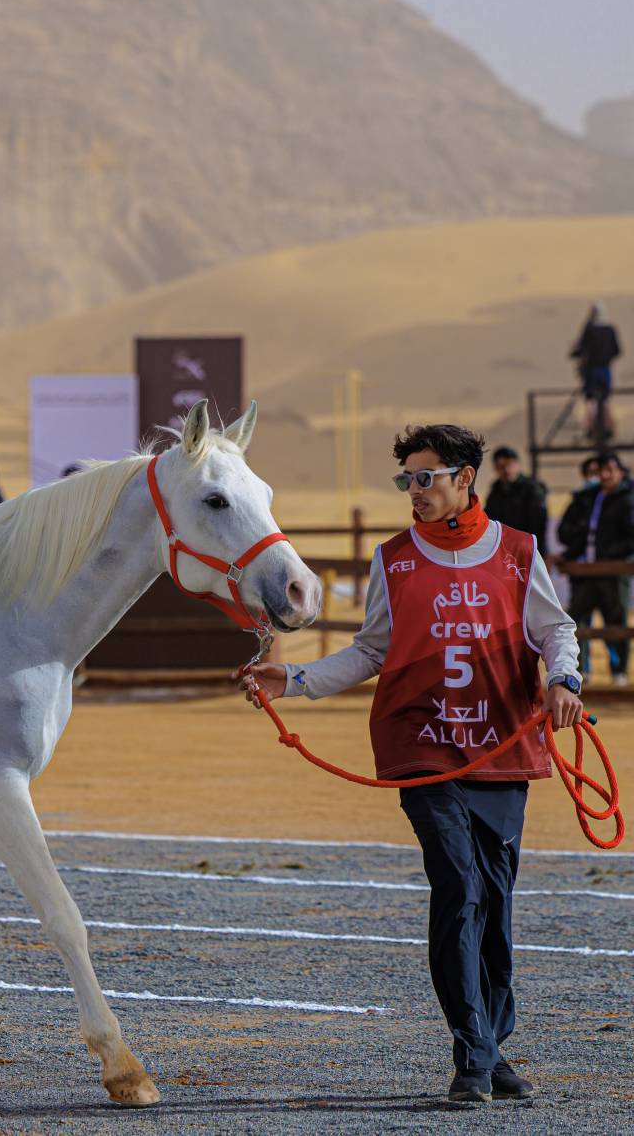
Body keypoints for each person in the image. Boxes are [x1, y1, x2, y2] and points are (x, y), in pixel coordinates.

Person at [242, 423, 581, 1104]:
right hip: (420, 746)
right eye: (406, 480)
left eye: (424, 478)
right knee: (457, 886)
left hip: (501, 746)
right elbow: (370, 651)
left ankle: (488, 1044)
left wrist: (563, 679)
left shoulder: (516, 553)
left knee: (494, 900)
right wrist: (296, 681)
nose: (412, 492)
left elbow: (555, 630)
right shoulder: (392, 559)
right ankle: (472, 1057)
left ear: (464, 478)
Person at [556, 452, 634, 685]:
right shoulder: (588, 498)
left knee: (616, 621)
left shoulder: (628, 499)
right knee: (575, 621)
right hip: (586, 572)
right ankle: (580, 670)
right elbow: (571, 531)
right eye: (601, 470)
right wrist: (571, 554)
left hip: (613, 572)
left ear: (620, 471)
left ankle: (618, 671)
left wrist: (610, 556)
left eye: (610, 469)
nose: (605, 475)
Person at [570, 302, 622, 441]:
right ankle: (608, 427)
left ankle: (590, 427)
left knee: (590, 400)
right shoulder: (610, 329)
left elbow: (580, 349)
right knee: (605, 399)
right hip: (605, 370)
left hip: (591, 371)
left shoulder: (590, 329)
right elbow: (617, 350)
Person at [483, 447, 547, 554]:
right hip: (503, 549)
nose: (506, 470)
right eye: (501, 466)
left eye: (510, 465)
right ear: (495, 468)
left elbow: (538, 525)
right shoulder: (495, 491)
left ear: (517, 464)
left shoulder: (531, 488)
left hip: (528, 549)